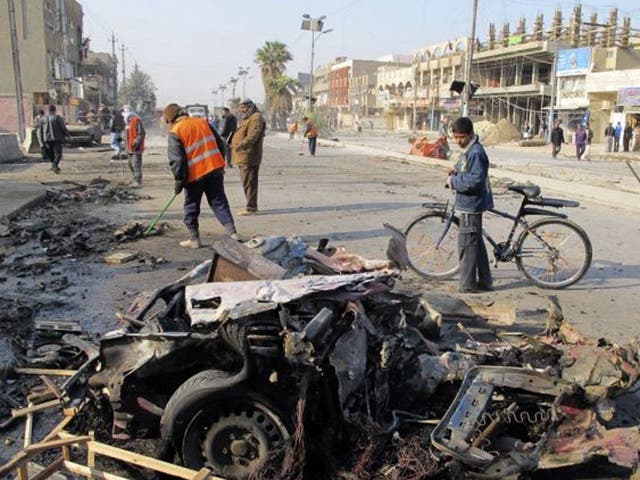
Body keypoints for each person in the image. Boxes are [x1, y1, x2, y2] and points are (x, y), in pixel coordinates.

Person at [164, 103, 238, 248]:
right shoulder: (203, 122)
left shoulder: (175, 131)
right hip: (215, 170)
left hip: (195, 175)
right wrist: (219, 163)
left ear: (170, 119)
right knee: (219, 201)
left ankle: (194, 239)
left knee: (191, 205)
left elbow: (177, 161)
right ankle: (233, 233)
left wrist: (179, 181)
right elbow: (220, 144)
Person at [446, 117, 494, 294]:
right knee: (476, 243)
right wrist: (456, 170)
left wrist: (453, 180)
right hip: (470, 203)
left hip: (471, 204)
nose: (458, 141)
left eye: (461, 137)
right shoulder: (470, 149)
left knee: (467, 244)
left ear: (470, 135)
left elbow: (475, 180)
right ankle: (485, 281)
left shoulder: (476, 152)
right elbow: (466, 168)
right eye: (456, 137)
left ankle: (467, 285)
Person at [231, 98, 266, 215]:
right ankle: (250, 205)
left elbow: (253, 136)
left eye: (244, 107)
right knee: (246, 182)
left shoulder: (256, 117)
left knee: (250, 182)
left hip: (249, 155)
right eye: (241, 108)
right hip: (243, 155)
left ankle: (251, 208)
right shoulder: (248, 117)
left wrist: (240, 145)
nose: (242, 110)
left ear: (250, 106)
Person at [39, 105, 71, 174]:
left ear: (49, 110)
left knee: (51, 154)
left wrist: (41, 141)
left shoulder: (43, 118)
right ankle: (55, 165)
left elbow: (40, 131)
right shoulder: (58, 118)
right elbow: (63, 128)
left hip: (46, 139)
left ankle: (54, 165)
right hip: (56, 139)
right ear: (55, 110)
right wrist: (68, 135)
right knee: (58, 154)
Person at [125, 111, 145, 187]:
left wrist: (136, 141)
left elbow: (142, 133)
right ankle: (134, 179)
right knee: (130, 164)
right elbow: (127, 135)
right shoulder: (127, 123)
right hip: (129, 148)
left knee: (136, 165)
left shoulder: (136, 121)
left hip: (136, 147)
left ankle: (138, 181)